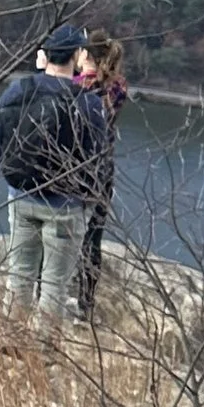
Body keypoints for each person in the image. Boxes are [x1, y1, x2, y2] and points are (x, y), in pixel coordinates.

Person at [0, 26, 104, 331]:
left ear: (46, 54)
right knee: (54, 285)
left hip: (22, 195)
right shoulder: (88, 103)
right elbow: (97, 160)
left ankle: (9, 343)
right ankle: (44, 353)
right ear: (78, 56)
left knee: (19, 276)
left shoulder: (18, 90)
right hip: (66, 206)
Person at [73, 32, 128, 319]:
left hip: (76, 169)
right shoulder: (118, 87)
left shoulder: (80, 87)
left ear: (87, 55)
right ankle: (86, 302)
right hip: (103, 170)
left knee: (64, 232)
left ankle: (60, 292)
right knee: (93, 238)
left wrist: (82, 71)